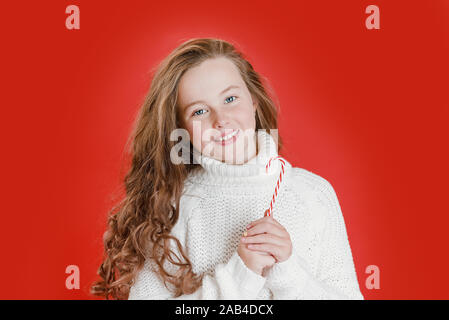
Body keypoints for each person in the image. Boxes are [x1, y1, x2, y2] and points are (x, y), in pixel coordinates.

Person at [90, 38, 364, 300]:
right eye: (199, 111)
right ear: (181, 128)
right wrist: (240, 275)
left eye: (230, 99)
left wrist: (289, 274)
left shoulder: (313, 194)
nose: (221, 120)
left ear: (254, 101)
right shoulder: (169, 205)